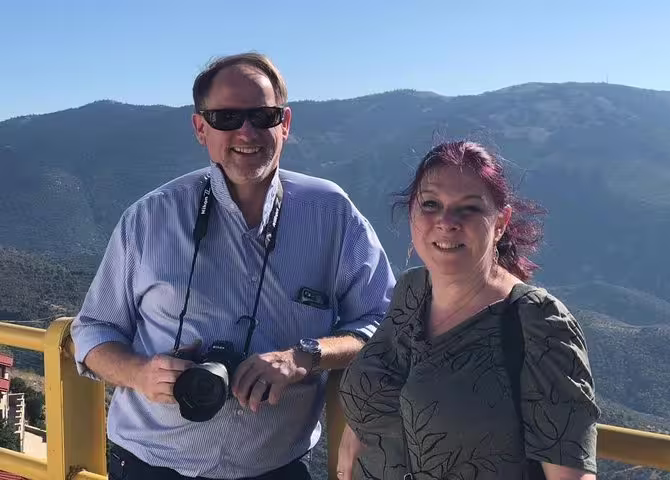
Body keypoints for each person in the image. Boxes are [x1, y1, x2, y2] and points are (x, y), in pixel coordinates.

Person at [70, 52, 395, 480]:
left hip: (277, 467)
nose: (247, 131)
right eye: (226, 117)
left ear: (286, 123)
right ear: (200, 128)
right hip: (151, 463)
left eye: (263, 115)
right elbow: (92, 329)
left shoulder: (331, 214)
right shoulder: (150, 218)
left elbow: (383, 321)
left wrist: (306, 356)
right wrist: (139, 374)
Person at [337, 141, 600, 479]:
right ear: (412, 212)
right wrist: (359, 423)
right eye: (431, 204)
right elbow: (390, 384)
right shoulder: (412, 290)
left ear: (501, 222)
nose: (446, 222)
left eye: (469, 209)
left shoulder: (538, 321)